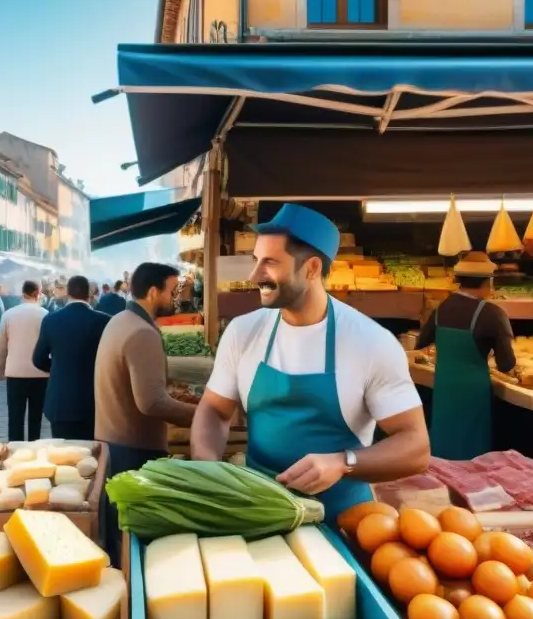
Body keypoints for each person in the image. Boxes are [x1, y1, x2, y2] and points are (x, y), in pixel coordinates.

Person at [190, 204, 430, 522]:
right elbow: (214, 409)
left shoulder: (371, 342)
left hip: (345, 519)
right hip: (258, 512)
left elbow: (415, 446)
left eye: (270, 263)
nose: (254, 275)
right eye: (255, 261)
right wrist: (208, 467)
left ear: (312, 269)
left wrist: (343, 463)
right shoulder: (243, 332)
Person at [95, 262, 198, 564]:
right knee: (134, 542)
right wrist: (203, 415)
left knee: (120, 535)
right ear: (153, 292)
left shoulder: (120, 320)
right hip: (134, 449)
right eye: (171, 290)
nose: (175, 297)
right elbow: (152, 403)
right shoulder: (142, 332)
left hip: (113, 441)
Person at [416, 251, 516, 460]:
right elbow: (506, 364)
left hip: (444, 388)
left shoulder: (442, 308)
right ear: (488, 281)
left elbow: (421, 342)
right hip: (472, 393)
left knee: (443, 446)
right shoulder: (493, 314)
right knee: (472, 452)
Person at [33, 275, 110, 439]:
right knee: (94, 454)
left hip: (61, 401)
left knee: (64, 453)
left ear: (68, 292)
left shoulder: (51, 320)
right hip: (94, 401)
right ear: (89, 294)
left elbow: (38, 359)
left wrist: (58, 367)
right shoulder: (104, 321)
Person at [0, 280, 49, 442]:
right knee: (36, 419)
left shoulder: (9, 314)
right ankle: (34, 449)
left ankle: (15, 451)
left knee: (15, 418)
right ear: (38, 293)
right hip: (40, 374)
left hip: (15, 373)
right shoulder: (45, 314)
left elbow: (0, 345)